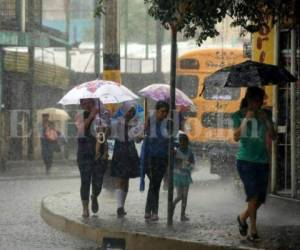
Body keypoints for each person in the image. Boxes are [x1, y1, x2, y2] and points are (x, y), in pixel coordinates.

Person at [232, 87, 276, 242]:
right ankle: (253, 229)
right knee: (253, 195)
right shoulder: (238, 115)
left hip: (262, 160)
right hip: (245, 161)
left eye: (260, 101)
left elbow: (274, 135)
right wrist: (247, 119)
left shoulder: (266, 114)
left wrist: (267, 120)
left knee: (260, 199)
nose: (258, 104)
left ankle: (242, 217)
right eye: (255, 101)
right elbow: (236, 137)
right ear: (249, 100)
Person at [75, 98, 108, 218]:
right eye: (84, 103)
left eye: (90, 102)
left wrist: (103, 150)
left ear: (94, 103)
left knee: (98, 181)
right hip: (84, 153)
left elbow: (103, 136)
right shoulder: (80, 115)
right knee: (85, 181)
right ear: (81, 104)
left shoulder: (101, 117)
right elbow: (80, 129)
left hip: (98, 154)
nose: (87, 105)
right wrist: (91, 116)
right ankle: (85, 208)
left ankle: (94, 196)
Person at [110, 101, 141, 217]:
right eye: (130, 111)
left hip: (130, 151)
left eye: (133, 111)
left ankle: (122, 206)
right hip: (120, 150)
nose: (131, 113)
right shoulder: (118, 122)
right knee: (120, 178)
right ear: (125, 111)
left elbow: (137, 138)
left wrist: (139, 137)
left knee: (126, 179)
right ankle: (119, 206)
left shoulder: (136, 123)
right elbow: (112, 134)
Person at [142, 100, 169, 221]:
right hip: (150, 158)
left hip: (162, 158)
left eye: (166, 112)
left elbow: (169, 140)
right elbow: (141, 135)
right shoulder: (150, 122)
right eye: (162, 111)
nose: (164, 114)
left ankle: (149, 210)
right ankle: (154, 211)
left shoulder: (167, 125)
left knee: (155, 184)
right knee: (154, 183)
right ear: (157, 111)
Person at [172, 133, 194, 221]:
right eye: (181, 142)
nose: (182, 144)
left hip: (186, 176)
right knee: (180, 196)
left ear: (187, 142)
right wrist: (181, 163)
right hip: (177, 175)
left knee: (185, 196)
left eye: (184, 142)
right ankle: (173, 204)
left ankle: (182, 215)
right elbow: (174, 164)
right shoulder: (176, 151)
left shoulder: (190, 151)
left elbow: (193, 163)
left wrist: (189, 165)